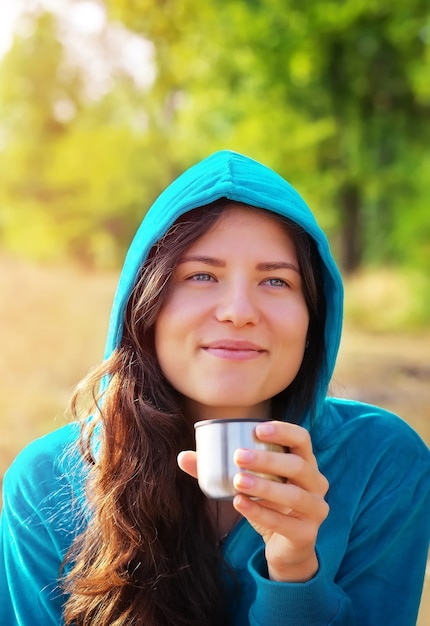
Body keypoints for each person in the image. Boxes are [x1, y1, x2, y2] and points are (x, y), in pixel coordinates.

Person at [0, 150, 429, 626]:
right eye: (201, 275)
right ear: (145, 306)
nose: (239, 310)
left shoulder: (382, 461)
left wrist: (294, 574)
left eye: (275, 280)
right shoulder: (46, 482)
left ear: (315, 318)